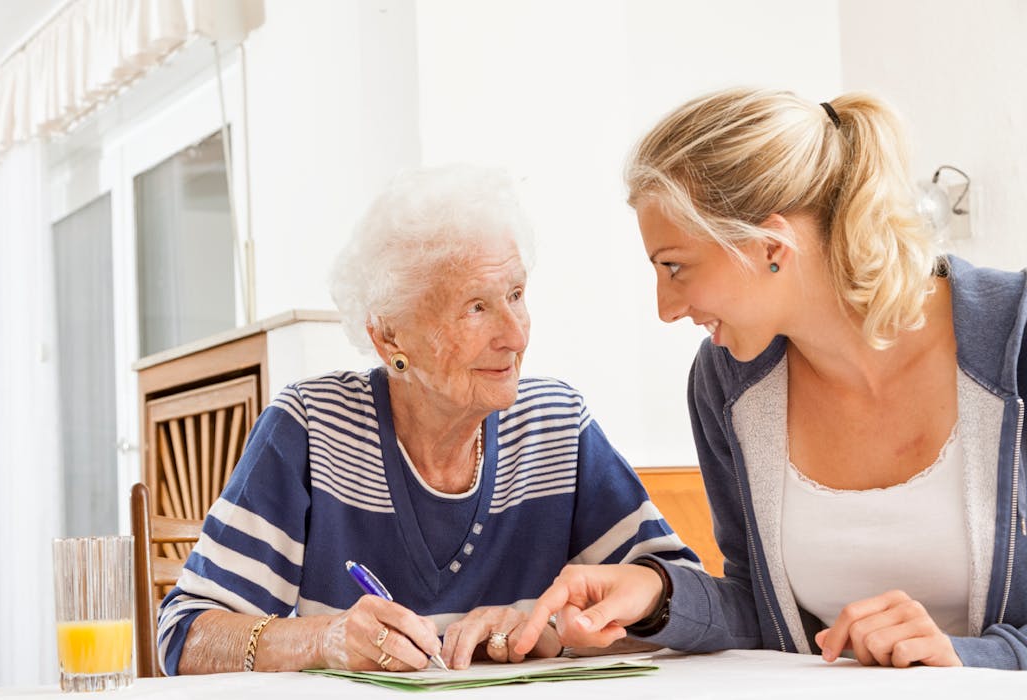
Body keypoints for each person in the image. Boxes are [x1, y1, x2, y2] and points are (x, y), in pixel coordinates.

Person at [515, 87, 1027, 670]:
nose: (665, 307)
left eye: (675, 267)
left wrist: (971, 657)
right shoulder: (728, 385)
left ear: (768, 246)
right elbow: (762, 607)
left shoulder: (1015, 339)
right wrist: (658, 596)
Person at [155, 164, 701, 674]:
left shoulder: (556, 427)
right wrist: (324, 639)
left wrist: (555, 629)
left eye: (515, 294)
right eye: (476, 307)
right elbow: (184, 634)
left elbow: (688, 602)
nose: (514, 336)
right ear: (389, 335)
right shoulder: (310, 429)